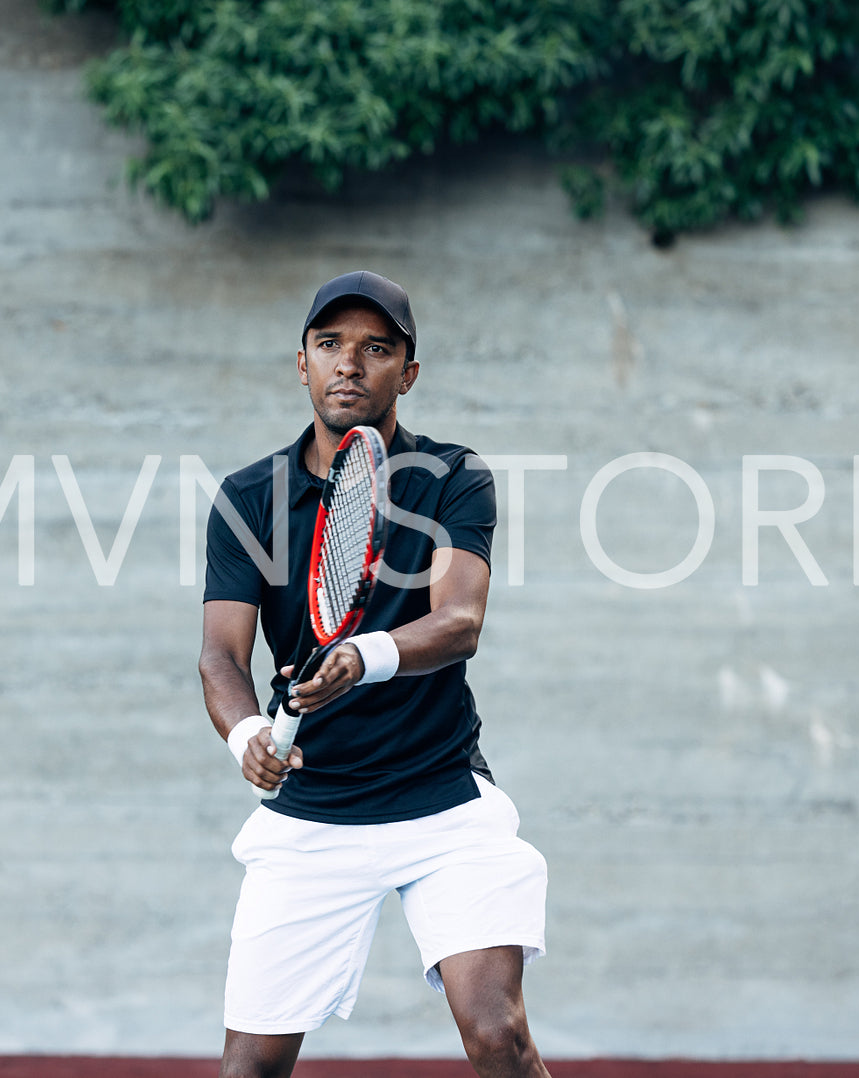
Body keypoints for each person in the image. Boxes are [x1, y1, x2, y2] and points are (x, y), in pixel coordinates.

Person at [198, 270, 551, 1078]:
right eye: (329, 345)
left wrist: (363, 658)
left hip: (440, 800)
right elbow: (220, 654)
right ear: (301, 364)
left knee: (498, 1037)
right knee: (246, 1071)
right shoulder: (248, 497)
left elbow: (459, 621)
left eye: (375, 348)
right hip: (311, 815)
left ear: (408, 373)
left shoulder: (454, 477)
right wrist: (250, 733)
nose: (349, 365)